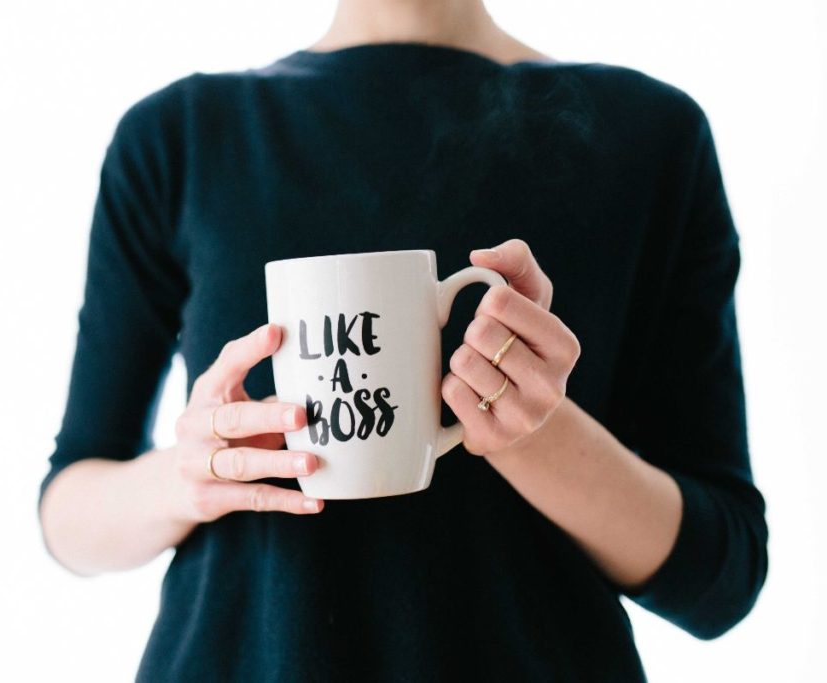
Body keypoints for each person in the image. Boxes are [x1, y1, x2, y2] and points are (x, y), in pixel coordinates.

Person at [37, 1, 769, 680]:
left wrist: (528, 432)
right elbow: (68, 512)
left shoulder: (650, 136)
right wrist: (188, 476)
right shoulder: (179, 137)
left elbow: (721, 576)